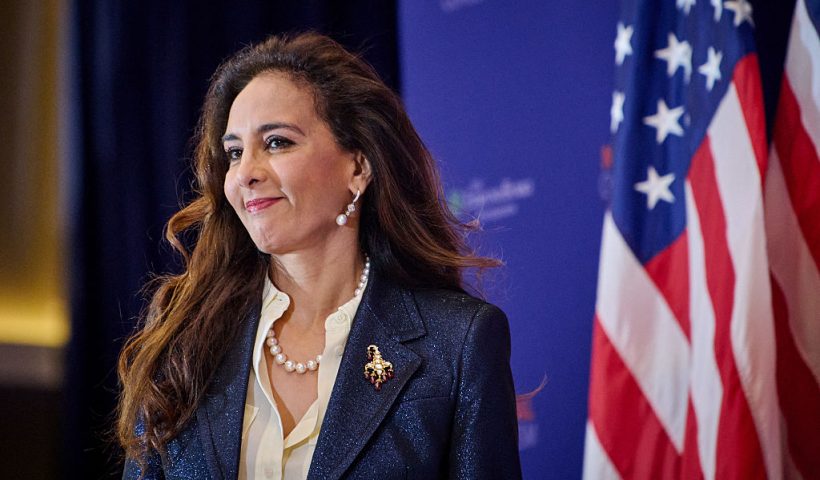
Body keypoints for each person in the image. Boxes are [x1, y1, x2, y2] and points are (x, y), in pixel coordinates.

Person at [117, 32, 521, 480]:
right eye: (234, 152)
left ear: (358, 167)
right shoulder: (182, 335)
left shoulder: (458, 343)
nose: (245, 173)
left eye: (277, 142)